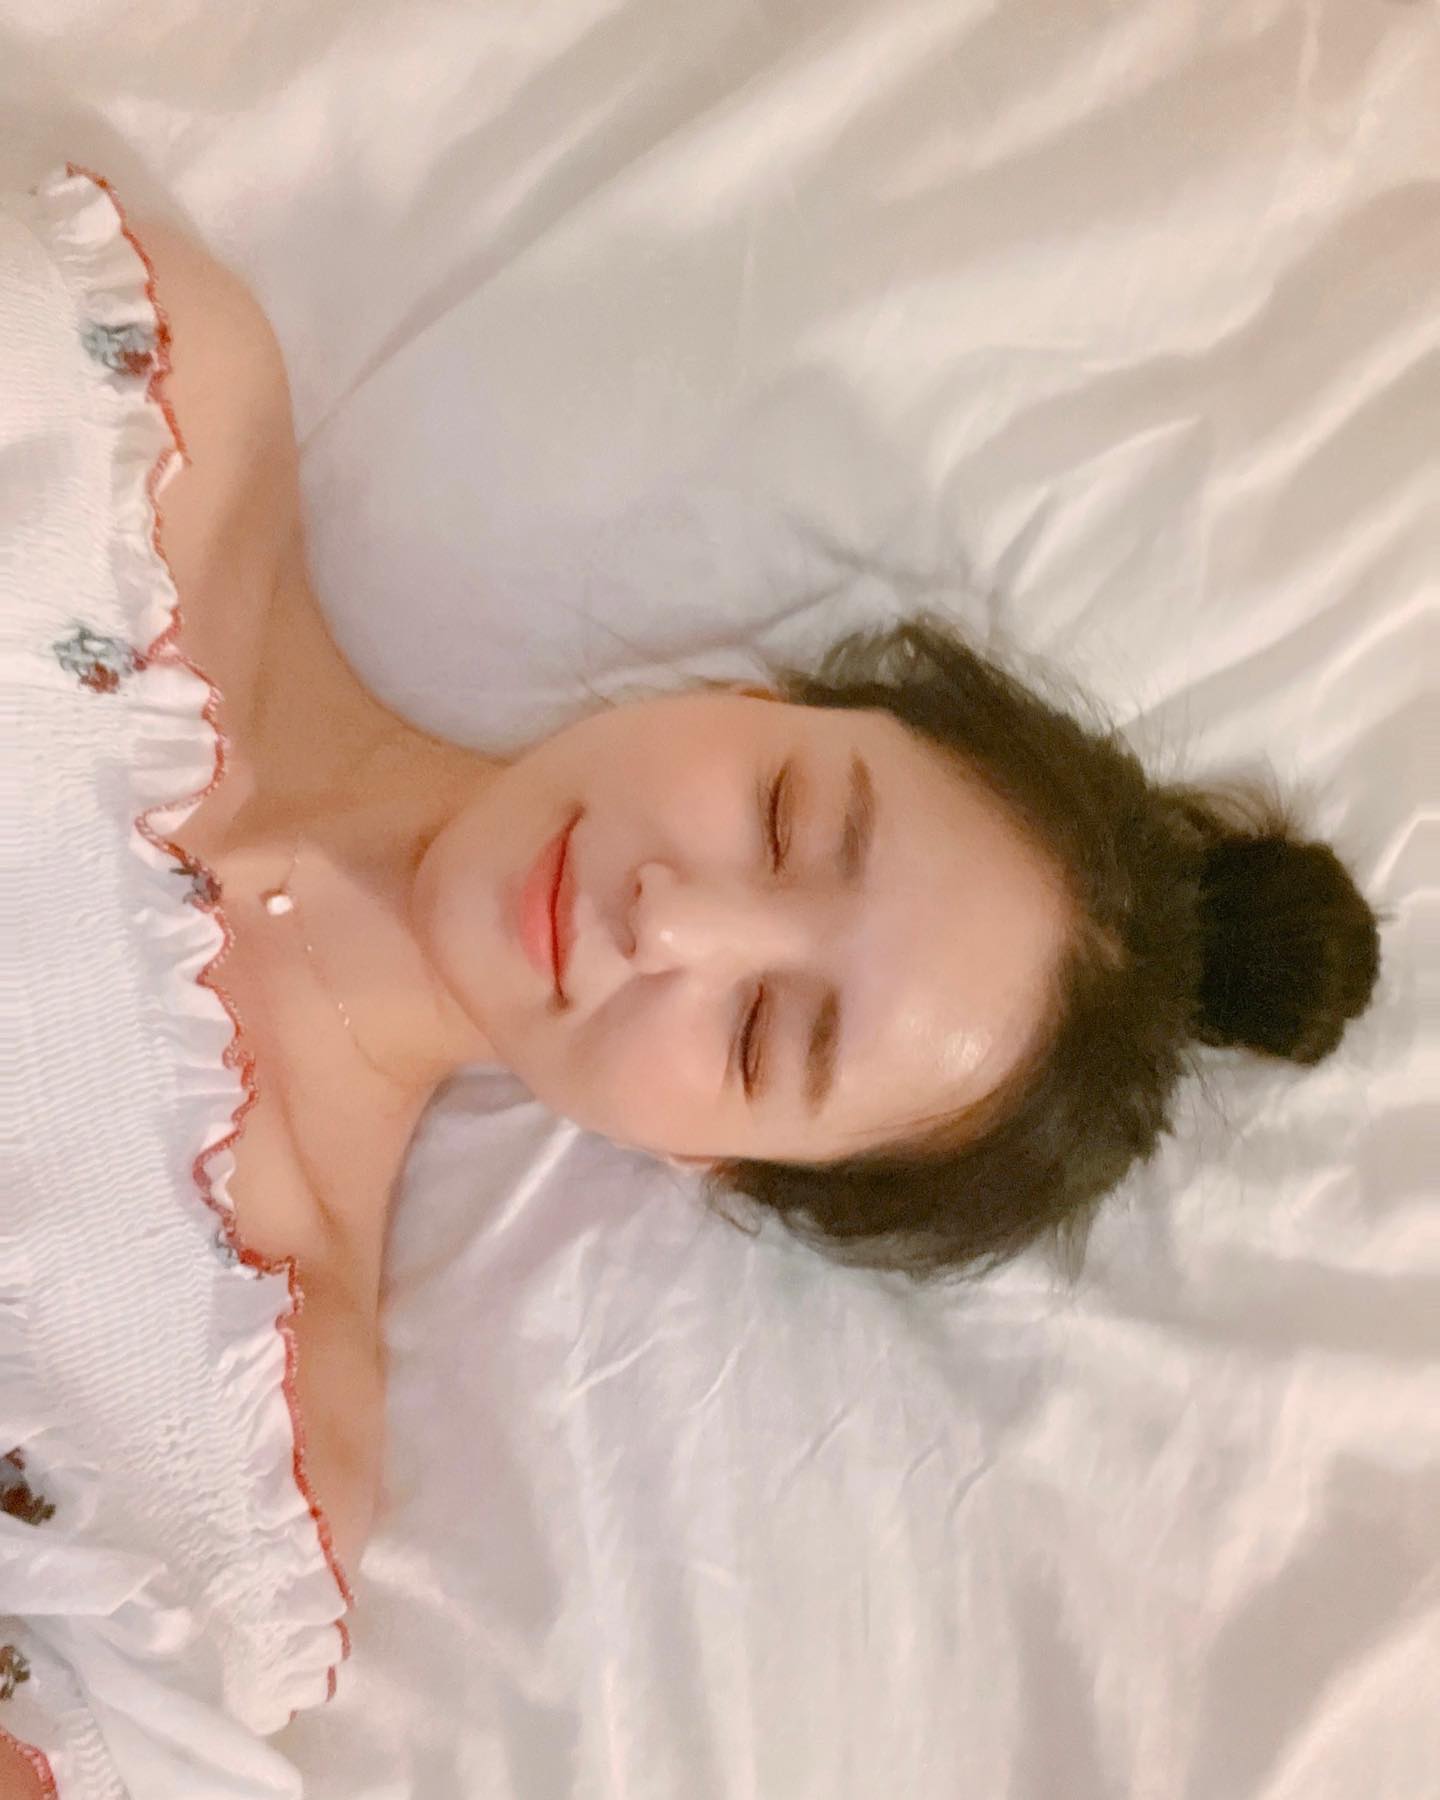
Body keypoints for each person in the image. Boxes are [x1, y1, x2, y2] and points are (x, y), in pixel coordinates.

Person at [0, 166, 1381, 1800]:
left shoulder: (244, 1446)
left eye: (763, 1033)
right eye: (784, 820)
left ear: (713, 1159)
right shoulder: (146, 399)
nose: (669, 921)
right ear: (765, 701)